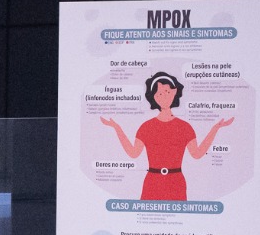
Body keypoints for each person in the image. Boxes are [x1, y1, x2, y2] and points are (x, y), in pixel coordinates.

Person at [99, 71, 233, 201]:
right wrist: (117, 127)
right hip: (152, 183)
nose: (164, 97)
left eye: (167, 92)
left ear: (175, 92)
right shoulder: (146, 127)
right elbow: (133, 153)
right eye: (159, 94)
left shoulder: (185, 127)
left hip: (176, 183)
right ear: (153, 98)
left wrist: (215, 128)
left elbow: (197, 154)